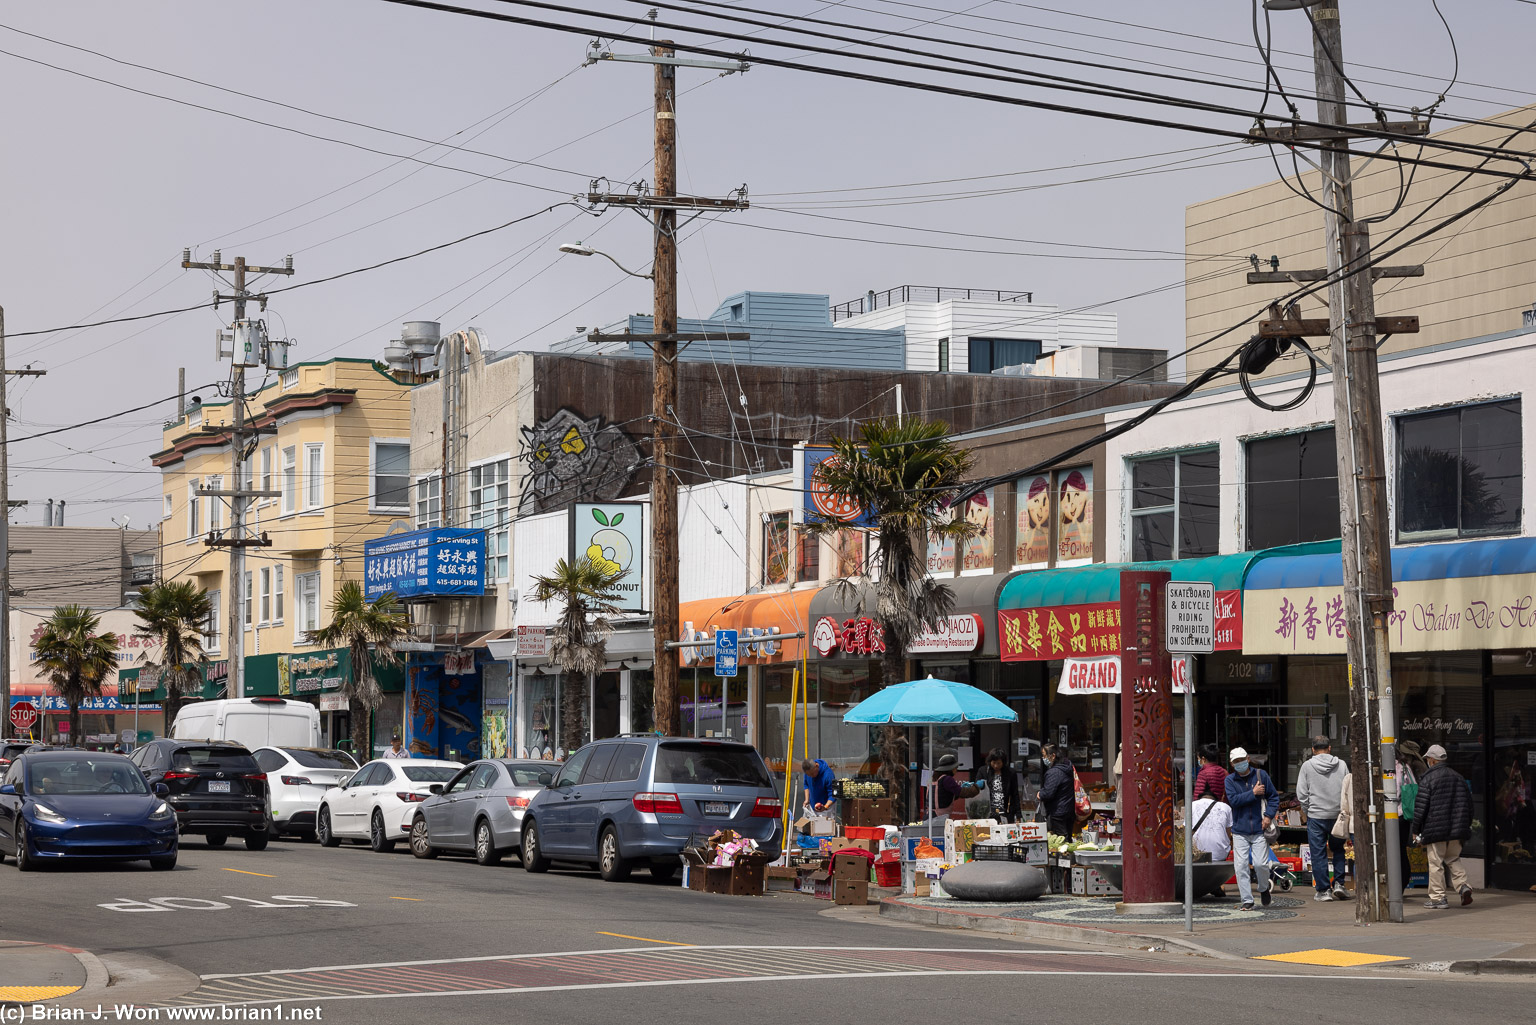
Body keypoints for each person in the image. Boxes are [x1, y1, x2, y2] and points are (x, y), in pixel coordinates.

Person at [1414, 744, 1474, 910]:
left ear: (1432, 761)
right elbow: (1470, 806)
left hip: (1435, 829)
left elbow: (1420, 808)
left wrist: (1415, 830)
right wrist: (1466, 825)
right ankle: (1463, 887)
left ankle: (1438, 898)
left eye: (1427, 759)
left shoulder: (1428, 779)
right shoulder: (1459, 777)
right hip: (1457, 830)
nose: (1427, 762)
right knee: (1453, 858)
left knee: (1435, 863)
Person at [1225, 746, 1279, 911]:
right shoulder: (1230, 780)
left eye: (1242, 760)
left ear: (1248, 758)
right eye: (1236, 761)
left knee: (1261, 864)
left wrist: (1268, 816)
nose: (1240, 763)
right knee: (1240, 866)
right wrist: (1253, 792)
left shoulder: (1261, 775)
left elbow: (1274, 797)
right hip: (1240, 830)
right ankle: (1247, 900)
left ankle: (1263, 888)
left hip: (1259, 828)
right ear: (1232, 763)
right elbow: (1233, 801)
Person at [1296, 735, 1350, 902]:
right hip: (1337, 815)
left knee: (1318, 853)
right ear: (1329, 748)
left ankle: (1324, 890)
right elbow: (1348, 788)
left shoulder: (1307, 766)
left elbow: (1302, 793)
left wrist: (1308, 809)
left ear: (1313, 749)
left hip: (1316, 816)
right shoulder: (1341, 765)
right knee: (1338, 849)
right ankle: (1340, 884)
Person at [1038, 743, 1078, 839]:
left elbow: (1048, 793)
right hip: (1068, 810)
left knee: (1060, 841)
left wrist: (1040, 794)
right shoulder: (1067, 767)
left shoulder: (1054, 772)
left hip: (1057, 813)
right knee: (1067, 839)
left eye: (1044, 755)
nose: (1043, 758)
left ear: (1052, 756)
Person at [974, 748, 1021, 823]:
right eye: (994, 763)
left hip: (1005, 812)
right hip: (987, 812)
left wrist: (1018, 814)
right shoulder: (983, 771)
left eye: (999, 763)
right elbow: (976, 789)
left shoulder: (1010, 773)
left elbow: (1015, 794)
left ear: (1003, 762)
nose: (996, 766)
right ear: (990, 761)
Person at [933, 753, 982, 819]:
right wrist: (977, 786)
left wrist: (960, 788)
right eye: (955, 768)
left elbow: (944, 796)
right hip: (939, 818)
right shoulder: (947, 779)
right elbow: (963, 793)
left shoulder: (934, 778)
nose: (956, 770)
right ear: (950, 768)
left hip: (930, 816)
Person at [1190, 790, 1234, 861]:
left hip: (1196, 854)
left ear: (1200, 798)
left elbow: (1185, 832)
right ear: (1215, 800)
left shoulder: (1192, 805)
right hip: (1221, 854)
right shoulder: (1226, 807)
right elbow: (1228, 834)